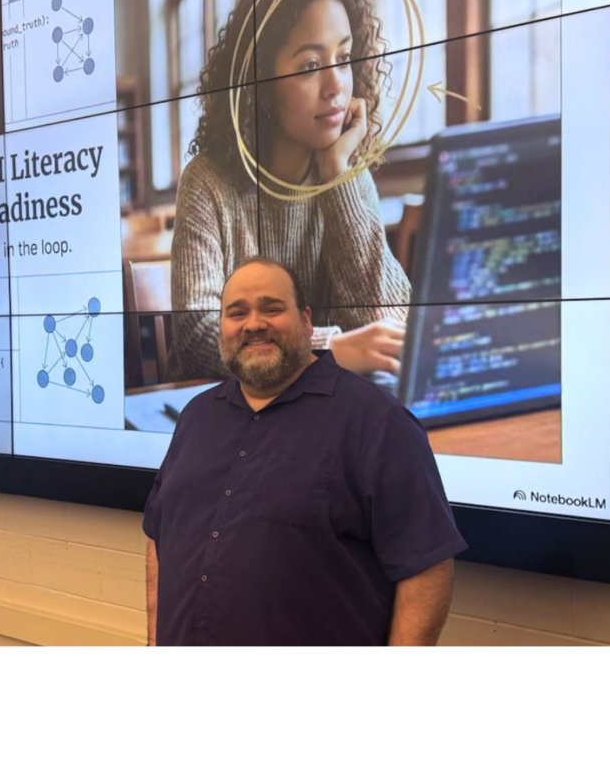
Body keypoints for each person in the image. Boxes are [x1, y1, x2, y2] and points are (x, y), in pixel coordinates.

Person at [144, 257, 466, 648]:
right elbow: (160, 540)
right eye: (237, 312)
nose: (254, 324)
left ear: (307, 320)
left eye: (272, 308)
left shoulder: (379, 422)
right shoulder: (195, 416)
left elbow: (426, 569)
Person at [167, 0, 410, 382]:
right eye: (311, 65)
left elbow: (389, 327)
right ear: (260, 83)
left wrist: (338, 174)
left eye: (344, 58)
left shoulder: (347, 177)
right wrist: (327, 350)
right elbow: (197, 341)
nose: (336, 85)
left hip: (328, 419)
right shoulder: (208, 182)